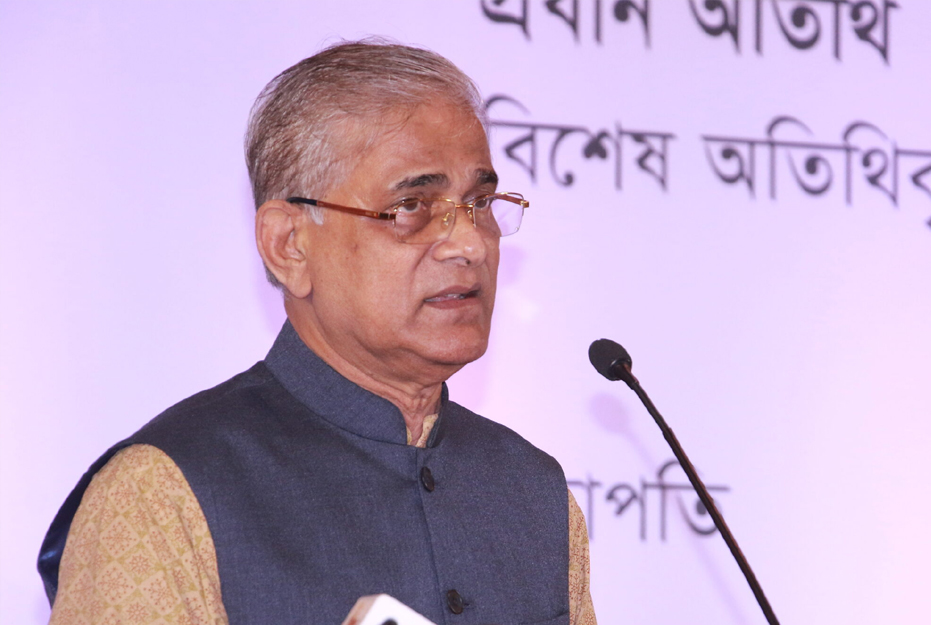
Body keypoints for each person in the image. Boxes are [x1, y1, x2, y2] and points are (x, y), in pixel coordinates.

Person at [37, 40, 596, 625]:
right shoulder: (165, 492)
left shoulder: (532, 493)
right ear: (289, 246)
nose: (469, 243)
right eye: (412, 206)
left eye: (479, 202)